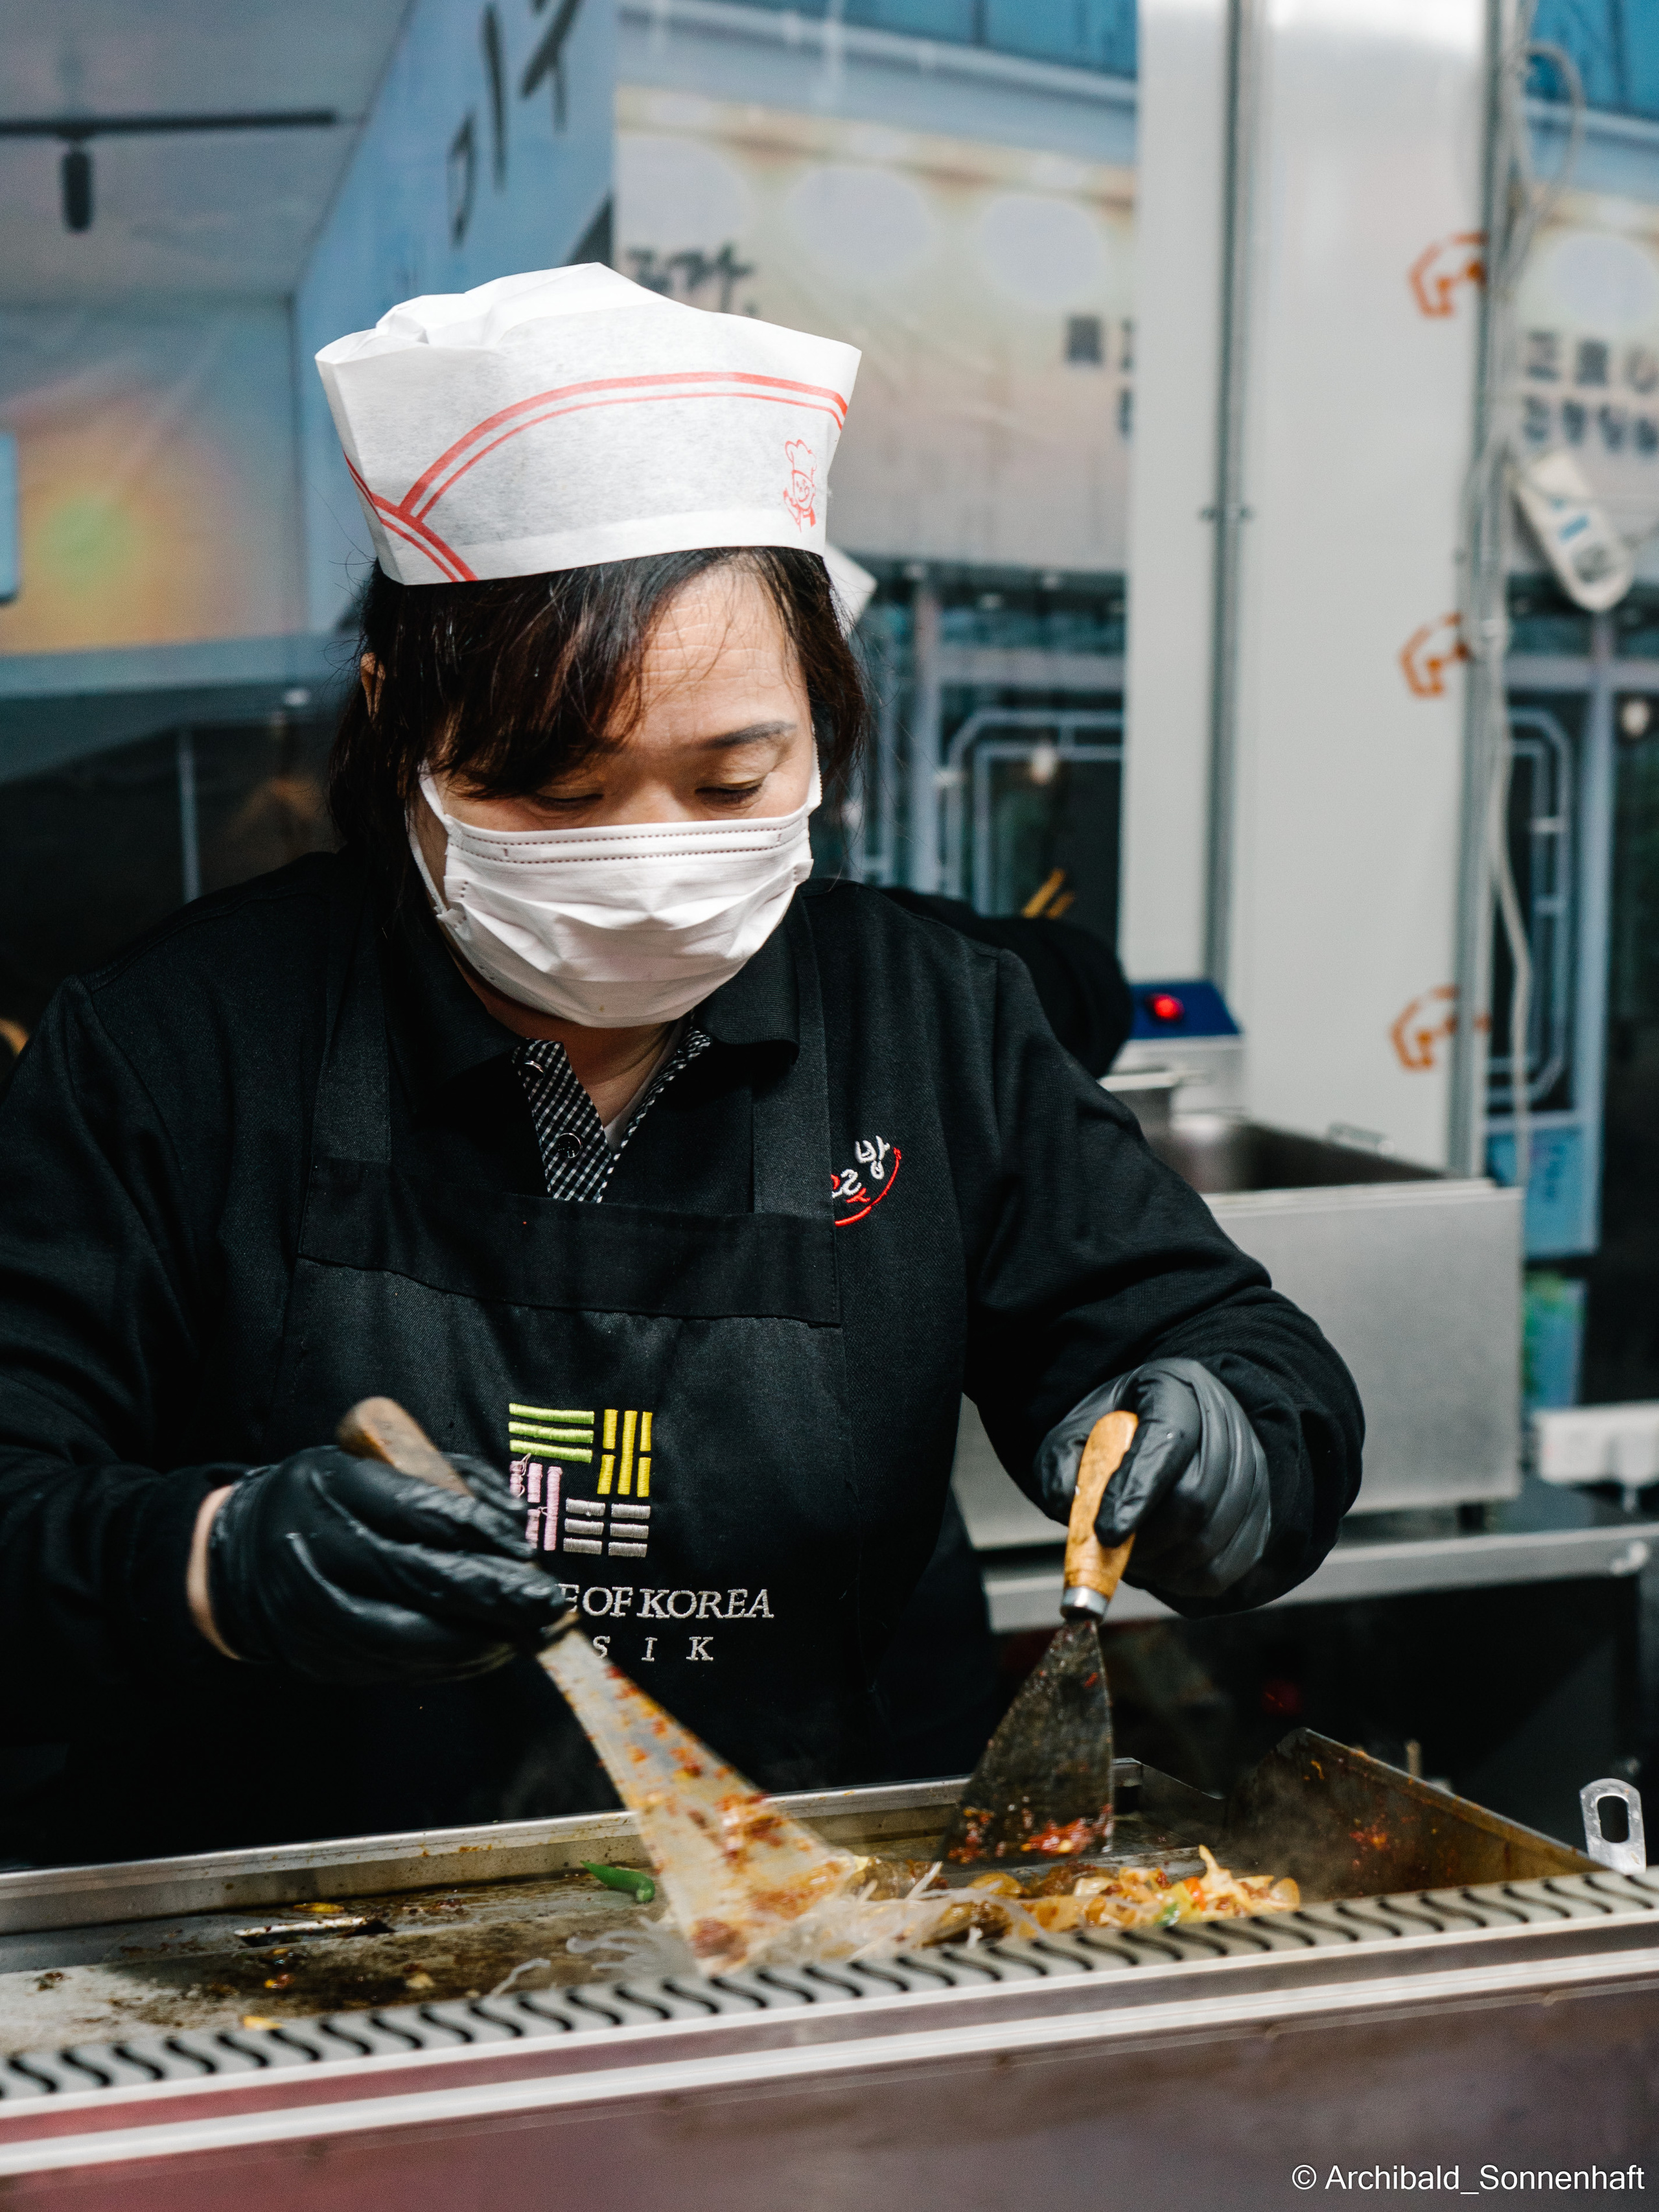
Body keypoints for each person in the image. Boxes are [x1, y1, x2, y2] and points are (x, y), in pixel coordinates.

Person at [0, 266, 1362, 1863]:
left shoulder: (932, 1023)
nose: (651, 863)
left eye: (731, 779)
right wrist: (217, 1558)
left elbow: (1233, 1350)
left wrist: (1219, 1443)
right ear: (396, 730)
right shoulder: (177, 1046)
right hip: (296, 1951)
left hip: (842, 1925)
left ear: (822, 727)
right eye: (558, 795)